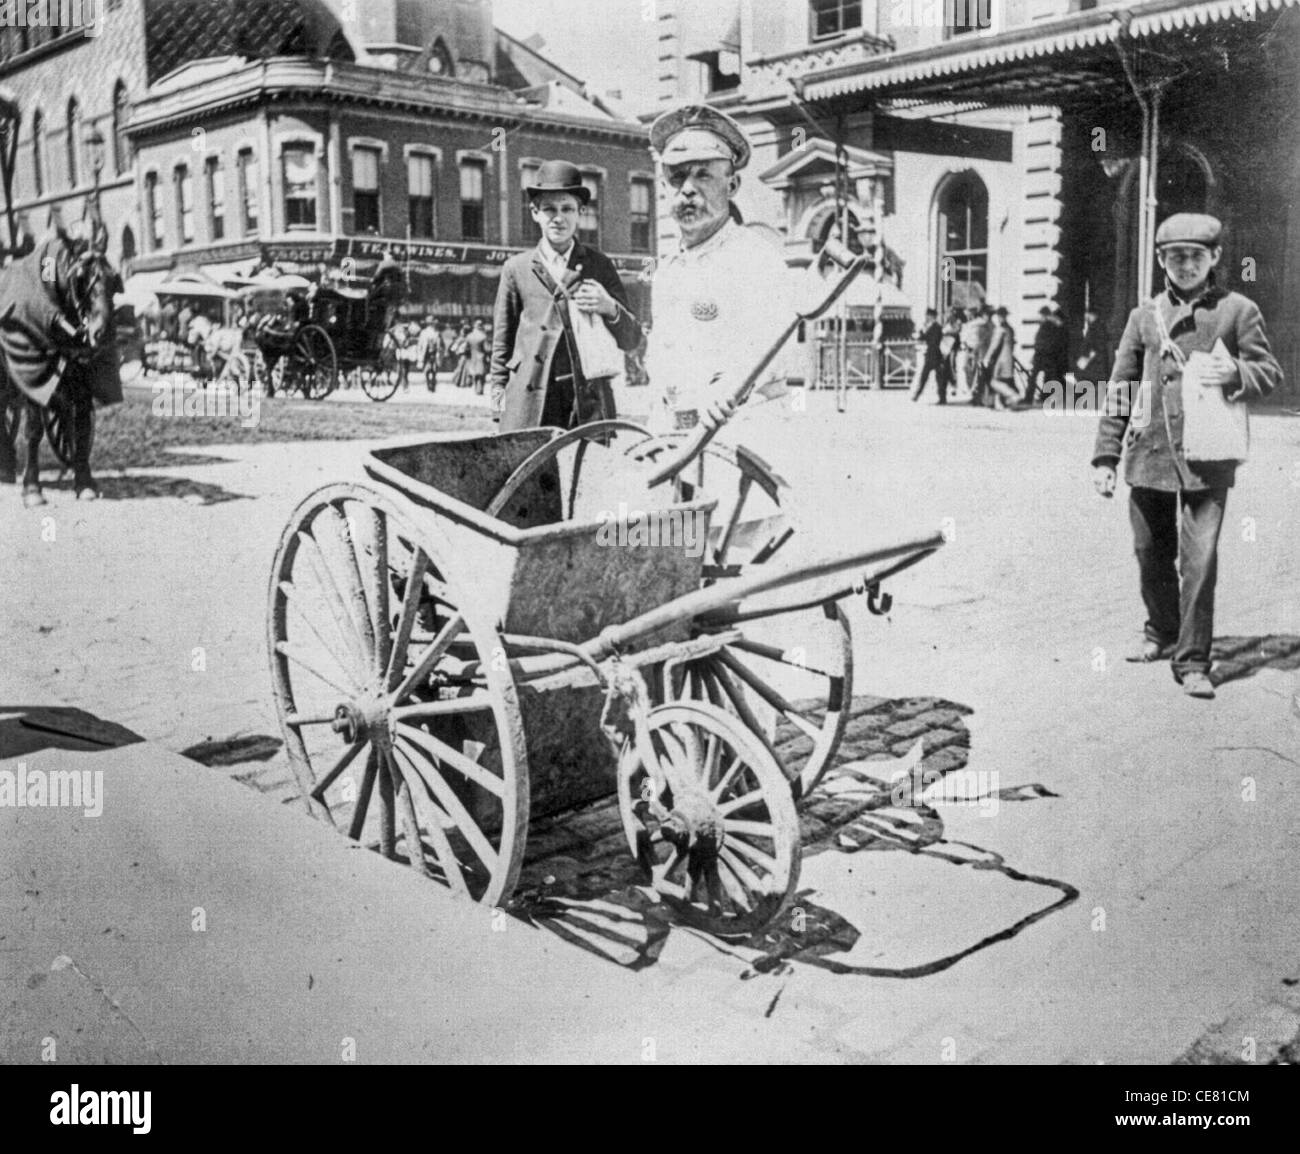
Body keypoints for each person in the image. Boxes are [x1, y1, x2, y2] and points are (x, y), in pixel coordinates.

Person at [1091, 213, 1282, 699]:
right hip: (1150, 454)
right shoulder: (1143, 316)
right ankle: (1161, 630)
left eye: (1196, 256)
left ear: (1215, 258)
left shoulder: (1238, 310)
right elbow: (1121, 387)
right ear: (1160, 261)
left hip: (1207, 459)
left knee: (1199, 562)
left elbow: (1271, 372)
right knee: (1150, 552)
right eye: (1175, 257)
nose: (1186, 265)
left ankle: (1194, 660)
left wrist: (1235, 370)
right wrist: (1105, 457)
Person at [644, 103, 797, 432]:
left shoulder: (756, 260)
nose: (687, 189)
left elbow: (774, 352)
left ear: (732, 186)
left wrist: (730, 389)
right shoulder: (668, 271)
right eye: (677, 177)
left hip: (744, 432)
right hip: (675, 437)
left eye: (703, 175)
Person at [489, 160, 640, 430]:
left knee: (586, 472)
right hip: (527, 403)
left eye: (568, 209)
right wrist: (498, 411)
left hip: (585, 404)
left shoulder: (599, 265)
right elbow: (501, 347)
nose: (559, 218)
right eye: (549, 209)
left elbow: (632, 340)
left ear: (581, 212)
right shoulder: (516, 269)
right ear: (534, 213)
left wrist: (610, 308)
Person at [981, 306, 1021, 409]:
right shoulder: (1010, 328)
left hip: (1001, 361)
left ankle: (1012, 395)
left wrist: (987, 358)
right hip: (1008, 360)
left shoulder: (1000, 329)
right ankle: (999, 404)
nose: (999, 318)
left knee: (994, 382)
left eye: (1000, 316)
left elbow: (994, 345)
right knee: (1004, 381)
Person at [1029, 305, 1069, 407]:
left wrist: (1038, 354)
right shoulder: (1051, 326)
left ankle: (1035, 397)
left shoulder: (1049, 326)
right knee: (1050, 377)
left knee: (1046, 377)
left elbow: (1045, 343)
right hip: (1048, 356)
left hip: (1046, 356)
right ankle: (1044, 397)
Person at [909, 307, 946, 404]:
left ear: (931, 316)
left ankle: (941, 398)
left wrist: (924, 334)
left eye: (927, 315)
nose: (926, 317)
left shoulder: (937, 327)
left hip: (934, 355)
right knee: (928, 376)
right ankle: (918, 394)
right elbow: (923, 337)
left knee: (937, 378)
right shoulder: (930, 327)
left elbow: (932, 340)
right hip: (931, 354)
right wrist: (921, 331)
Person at [1075, 305, 1110, 385]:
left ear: (1090, 314)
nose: (1086, 317)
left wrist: (1087, 359)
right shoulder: (1097, 326)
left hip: (1095, 364)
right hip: (1095, 364)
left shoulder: (1096, 327)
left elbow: (1097, 346)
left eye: (1087, 314)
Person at [465, 318, 488, 396]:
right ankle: (480, 389)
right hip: (481, 356)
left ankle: (476, 388)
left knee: (474, 373)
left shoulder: (469, 336)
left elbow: (466, 348)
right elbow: (487, 349)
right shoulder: (483, 336)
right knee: (481, 374)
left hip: (472, 356)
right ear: (481, 326)